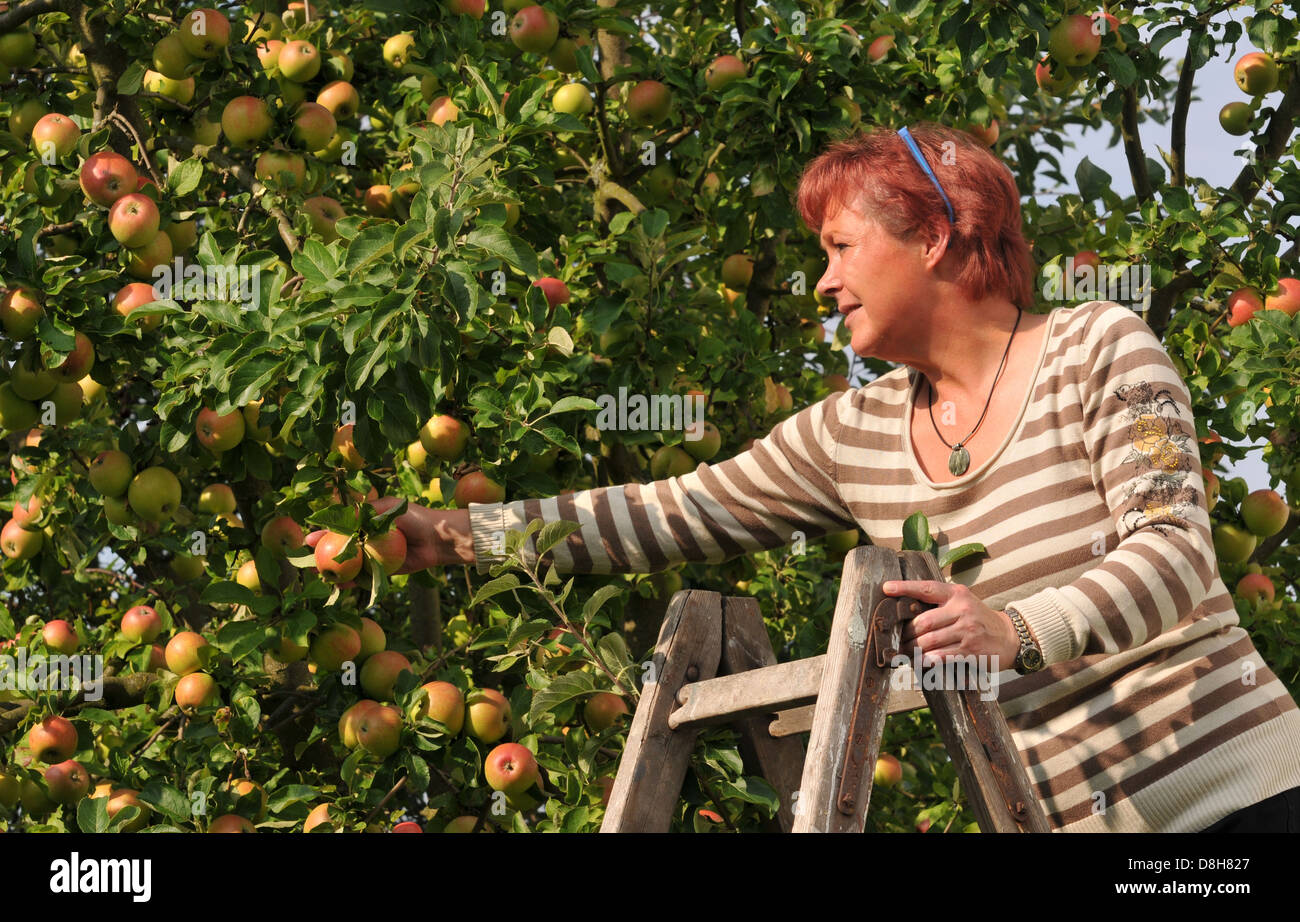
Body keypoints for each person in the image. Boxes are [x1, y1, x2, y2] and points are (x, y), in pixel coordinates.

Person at [374, 123, 1300, 832]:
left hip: (1243, 798)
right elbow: (668, 510)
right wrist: (446, 535)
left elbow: (1176, 548)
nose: (823, 283)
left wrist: (1016, 628)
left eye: (841, 248)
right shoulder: (848, 434)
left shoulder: (1099, 346)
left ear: (934, 235)